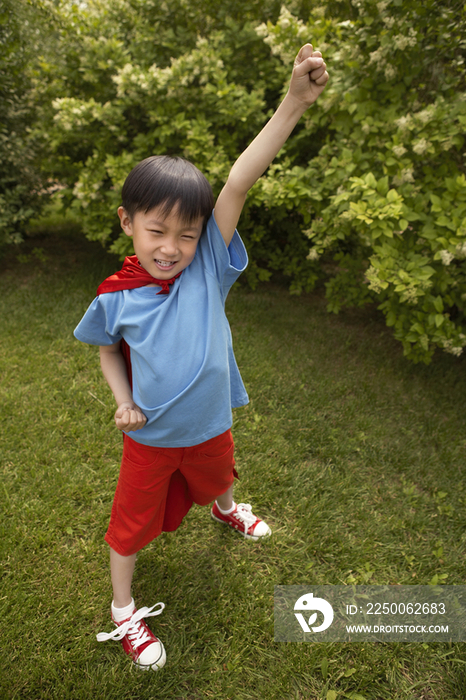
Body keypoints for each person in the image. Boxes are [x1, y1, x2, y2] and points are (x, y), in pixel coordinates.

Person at [74, 43, 328, 671]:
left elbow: (241, 177)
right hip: (153, 438)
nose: (173, 247)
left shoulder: (207, 268)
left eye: (187, 234)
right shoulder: (116, 297)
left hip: (212, 424)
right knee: (129, 526)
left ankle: (225, 510)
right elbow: (108, 350)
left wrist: (293, 103)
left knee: (219, 479)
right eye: (157, 231)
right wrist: (123, 400)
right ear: (127, 222)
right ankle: (124, 611)